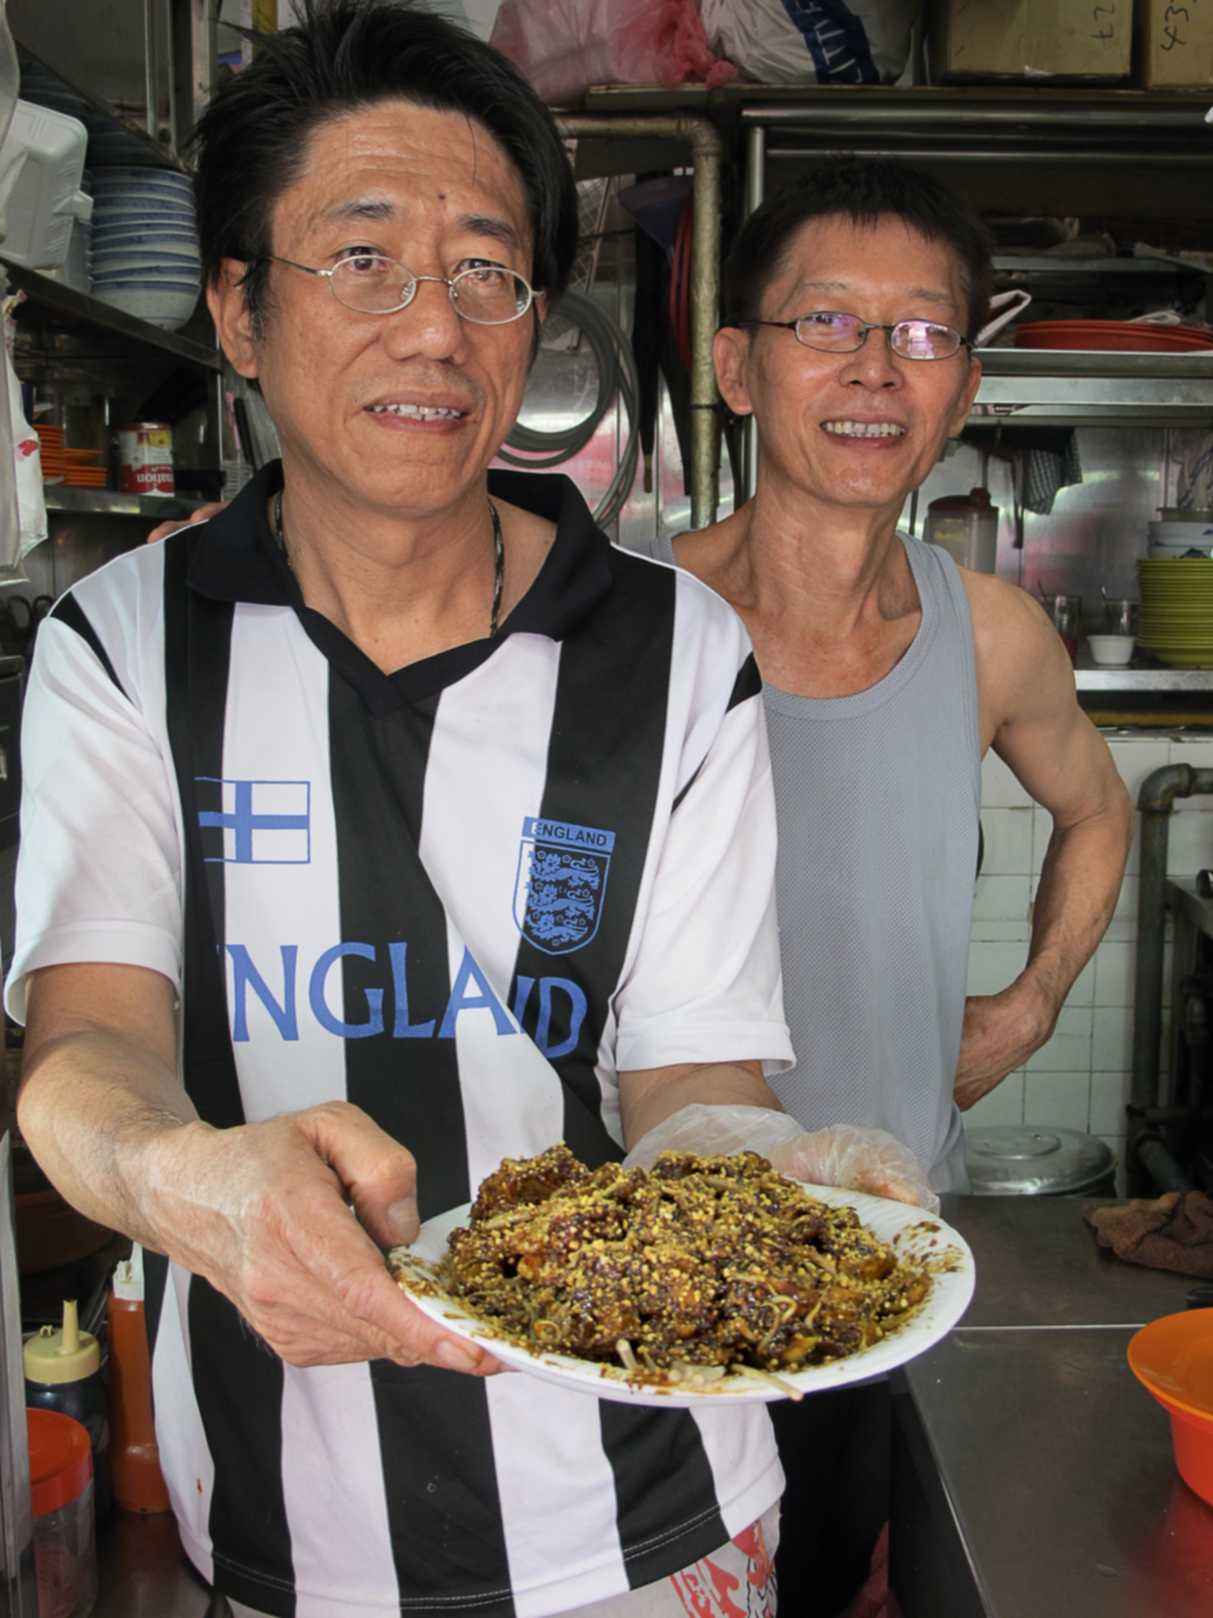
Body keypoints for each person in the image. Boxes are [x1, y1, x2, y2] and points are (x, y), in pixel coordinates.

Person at [9, 10, 934, 1618]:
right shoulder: (124, 644)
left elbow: (687, 1082)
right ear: (238, 309)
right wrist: (178, 1179)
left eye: (485, 271)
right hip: (294, 1523)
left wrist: (777, 1170)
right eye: (361, 260)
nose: (432, 327)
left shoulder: (670, 652)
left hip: (657, 1500)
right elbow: (84, 1049)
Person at [640, 159, 1133, 1616]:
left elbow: (1098, 808)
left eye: (919, 333)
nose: (873, 369)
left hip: (884, 1263)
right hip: (671, 1260)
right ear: (735, 365)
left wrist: (1028, 1007)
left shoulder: (989, 635)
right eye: (825, 325)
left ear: (962, 386)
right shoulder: (630, 627)